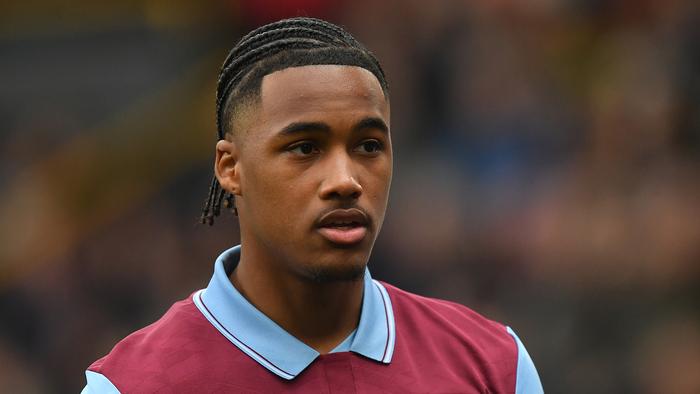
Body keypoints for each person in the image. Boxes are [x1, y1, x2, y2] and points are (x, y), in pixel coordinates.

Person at [82, 17, 543, 393]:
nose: (345, 181)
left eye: (367, 146)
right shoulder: (130, 386)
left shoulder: (494, 364)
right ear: (230, 167)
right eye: (305, 148)